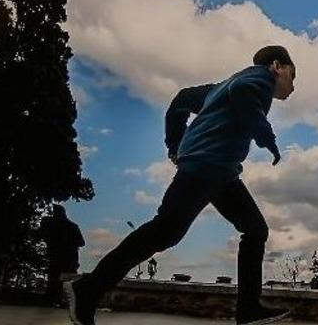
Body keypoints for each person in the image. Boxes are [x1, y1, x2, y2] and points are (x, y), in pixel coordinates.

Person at [65, 45, 297, 325]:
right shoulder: (260, 78)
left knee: (254, 229)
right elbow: (243, 95)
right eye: (292, 77)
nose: (292, 87)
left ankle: (248, 309)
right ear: (277, 66)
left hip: (220, 172)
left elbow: (182, 99)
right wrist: (266, 138)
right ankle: (88, 289)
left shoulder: (221, 87)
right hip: (207, 166)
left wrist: (174, 144)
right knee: (164, 231)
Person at [40, 204, 85, 306]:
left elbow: (43, 235)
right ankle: (65, 301)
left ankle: (52, 300)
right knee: (66, 281)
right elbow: (81, 242)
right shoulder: (72, 226)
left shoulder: (52, 225)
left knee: (54, 279)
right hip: (68, 258)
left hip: (59, 257)